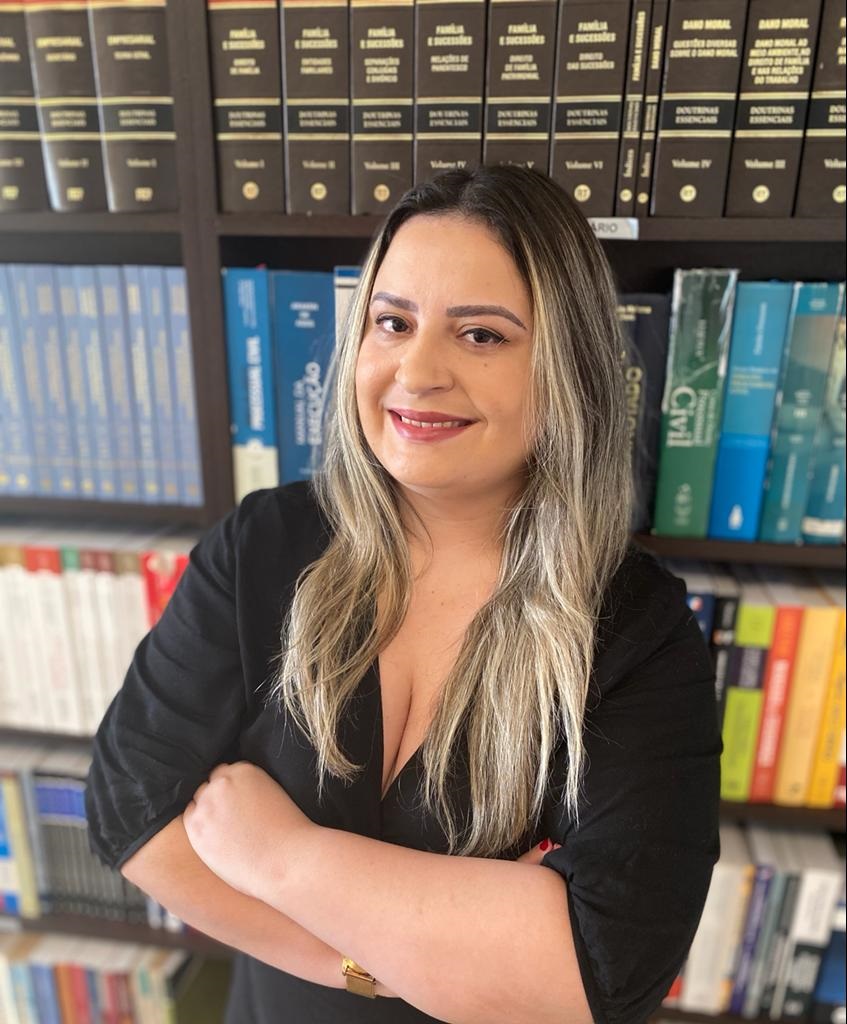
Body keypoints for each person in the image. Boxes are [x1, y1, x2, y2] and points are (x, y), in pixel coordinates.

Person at [85, 165, 721, 1024]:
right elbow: (131, 808)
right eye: (392, 323)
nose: (416, 373)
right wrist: (367, 965)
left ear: (567, 367)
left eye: (481, 335)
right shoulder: (265, 544)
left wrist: (279, 857)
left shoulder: (635, 628)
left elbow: (602, 968)